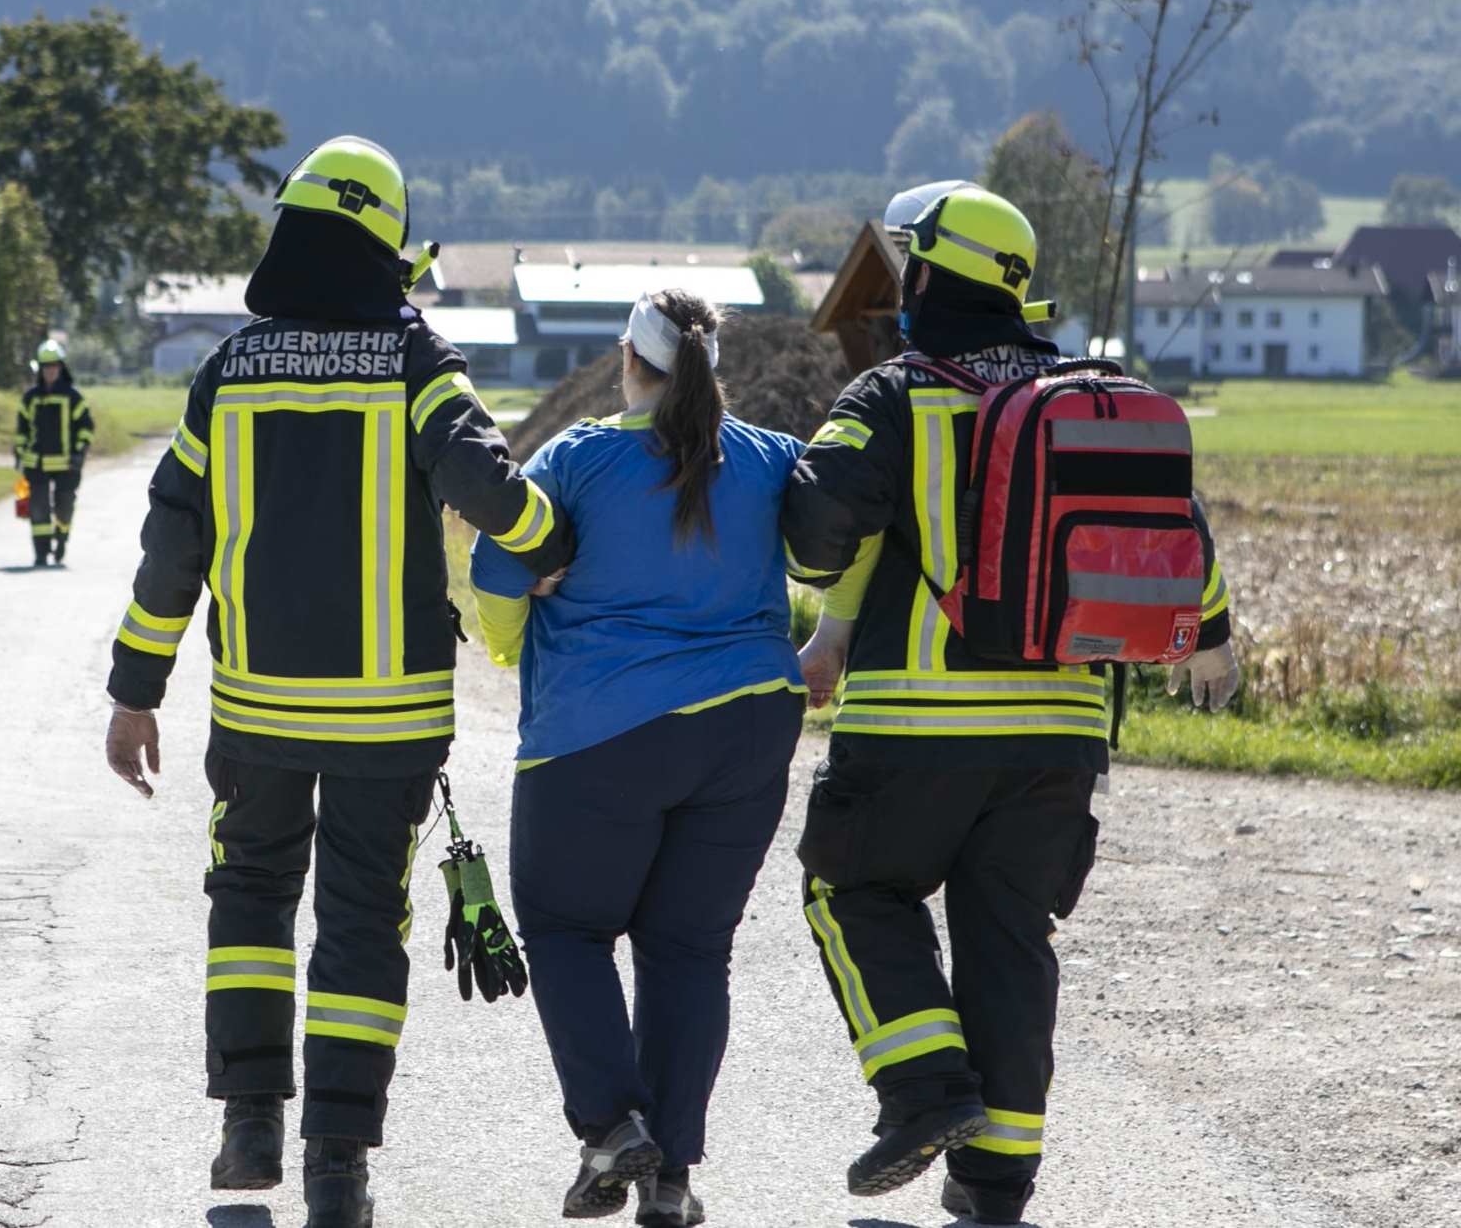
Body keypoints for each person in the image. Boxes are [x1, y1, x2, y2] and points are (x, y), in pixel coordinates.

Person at [101, 135, 572, 1228]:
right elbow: (485, 485)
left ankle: (248, 1123)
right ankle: (336, 1171)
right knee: (361, 923)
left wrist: (136, 690)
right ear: (382, 248)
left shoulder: (226, 372)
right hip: (388, 717)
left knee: (249, 902)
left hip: (255, 712)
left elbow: (174, 543)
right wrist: (553, 539)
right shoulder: (413, 362)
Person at [782, 185, 1239, 1225]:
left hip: (914, 722)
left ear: (935, 274)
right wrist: (1208, 638)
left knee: (845, 890)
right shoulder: (1095, 394)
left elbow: (814, 530)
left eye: (910, 262)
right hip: (1062, 739)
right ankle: (994, 1187)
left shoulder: (895, 392)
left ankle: (921, 1088)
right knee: (1005, 937)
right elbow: (1177, 530)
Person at [471, 290, 824, 1227]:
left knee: (565, 929)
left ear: (627, 356)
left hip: (602, 734)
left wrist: (509, 644)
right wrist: (828, 641)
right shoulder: (769, 458)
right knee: (689, 949)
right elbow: (847, 543)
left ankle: (614, 1128)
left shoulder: (579, 461)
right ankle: (669, 1178)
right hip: (750, 726)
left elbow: (495, 574)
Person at [16, 338, 95, 567]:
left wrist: (80, 453)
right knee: (38, 509)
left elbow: (86, 428)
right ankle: (41, 553)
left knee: (65, 506)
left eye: (54, 366)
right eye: (46, 366)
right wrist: (20, 452)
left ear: (61, 368)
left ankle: (61, 539)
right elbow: (22, 429)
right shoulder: (30, 398)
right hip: (37, 464)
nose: (50, 370)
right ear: (40, 369)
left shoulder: (73, 397)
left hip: (67, 463)